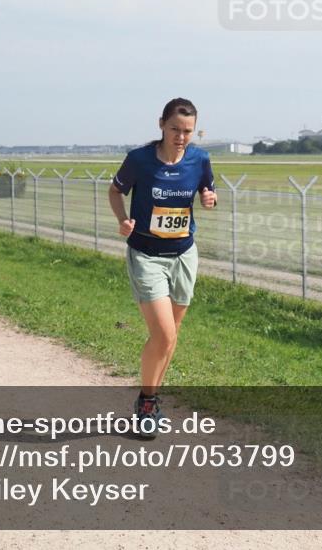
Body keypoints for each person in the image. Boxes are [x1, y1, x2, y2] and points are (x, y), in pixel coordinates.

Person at [108, 98, 216, 438]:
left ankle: (151, 399)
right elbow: (115, 191)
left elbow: (207, 190)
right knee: (164, 334)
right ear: (161, 125)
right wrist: (123, 219)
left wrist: (210, 198)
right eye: (175, 129)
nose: (181, 137)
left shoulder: (200, 159)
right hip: (146, 254)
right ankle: (147, 402)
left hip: (184, 254)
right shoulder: (139, 159)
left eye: (187, 131)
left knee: (170, 338)